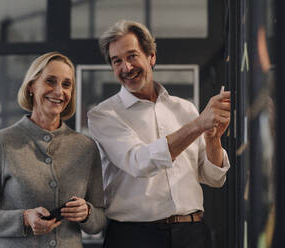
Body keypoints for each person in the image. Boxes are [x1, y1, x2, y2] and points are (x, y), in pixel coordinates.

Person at [87, 20, 231, 248]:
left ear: (151, 56)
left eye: (132, 56)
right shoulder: (104, 114)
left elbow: (214, 177)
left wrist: (213, 139)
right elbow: (139, 162)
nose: (126, 67)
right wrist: (198, 125)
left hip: (192, 234)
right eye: (117, 61)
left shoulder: (185, 108)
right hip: (134, 237)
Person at [0, 52, 106, 248]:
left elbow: (99, 219)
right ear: (31, 86)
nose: (59, 91)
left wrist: (87, 213)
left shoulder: (86, 148)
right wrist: (23, 218)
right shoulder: (3, 142)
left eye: (66, 84)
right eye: (50, 81)